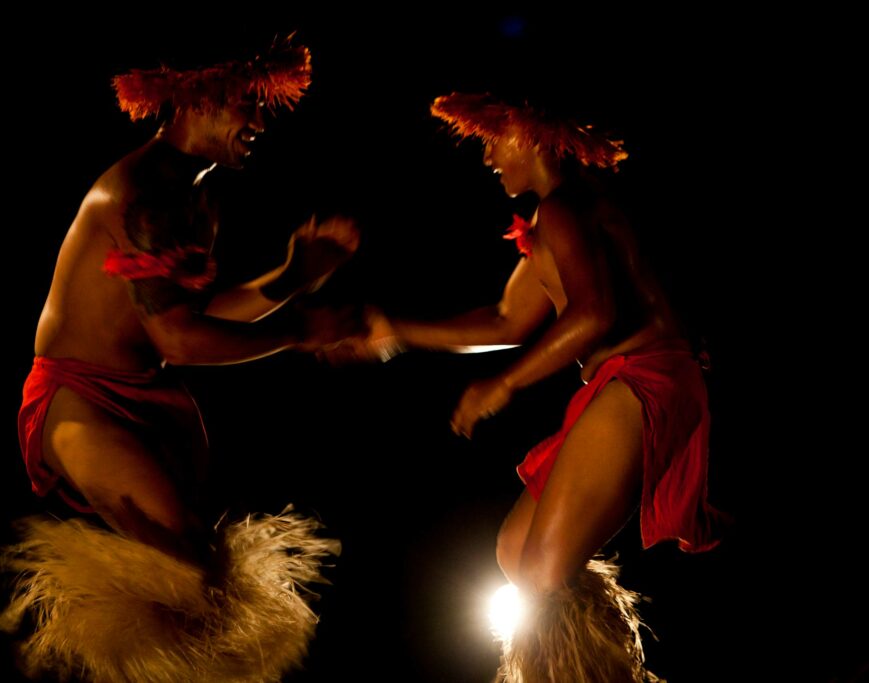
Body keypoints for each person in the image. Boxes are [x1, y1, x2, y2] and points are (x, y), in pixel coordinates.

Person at [328, 92, 724, 682]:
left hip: (648, 374)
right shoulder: (551, 218)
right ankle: (582, 668)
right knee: (516, 553)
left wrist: (504, 386)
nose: (488, 157)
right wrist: (396, 333)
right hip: (624, 378)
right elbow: (507, 320)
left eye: (493, 139)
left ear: (530, 132)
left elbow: (593, 315)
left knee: (540, 569)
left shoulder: (567, 207)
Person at [3, 36, 357, 682]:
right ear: (199, 99)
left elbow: (202, 313)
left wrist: (292, 277)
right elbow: (182, 342)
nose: (258, 123)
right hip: (77, 400)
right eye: (247, 106)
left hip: (147, 396)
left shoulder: (199, 196)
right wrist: (301, 330)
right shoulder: (139, 195)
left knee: (199, 576)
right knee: (184, 573)